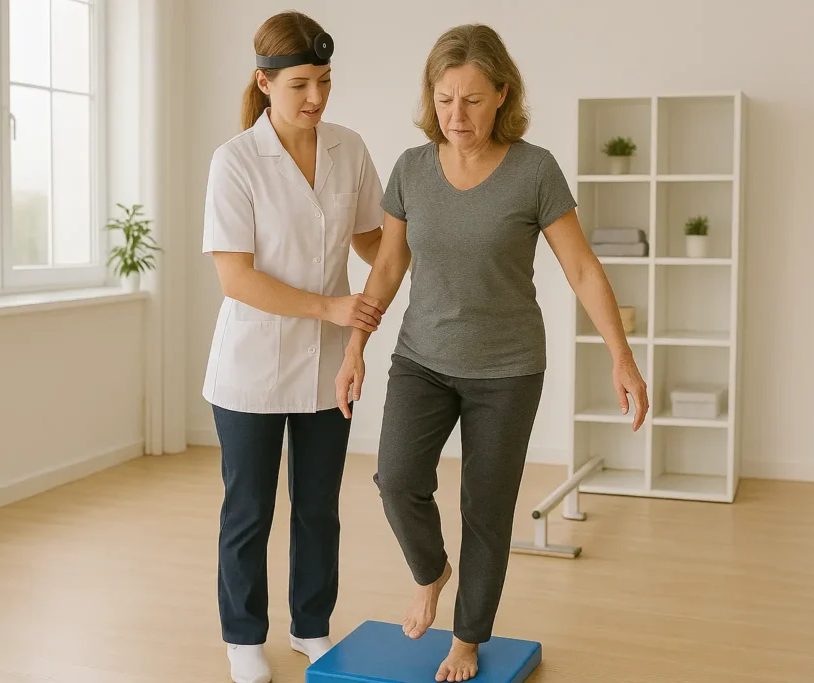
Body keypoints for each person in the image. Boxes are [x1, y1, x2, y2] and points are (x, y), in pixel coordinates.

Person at [335, 23, 649, 683]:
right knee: (396, 479)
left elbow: (584, 270)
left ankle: (469, 636)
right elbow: (387, 268)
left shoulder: (534, 171)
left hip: (507, 370)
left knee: (486, 506)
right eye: (445, 98)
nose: (457, 115)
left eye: (473, 100)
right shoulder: (411, 169)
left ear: (502, 94)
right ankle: (431, 571)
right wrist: (356, 343)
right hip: (422, 358)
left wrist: (621, 356)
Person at [201, 10, 387, 683]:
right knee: (249, 509)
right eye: (301, 84)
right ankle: (243, 635)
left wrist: (419, 240)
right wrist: (329, 305)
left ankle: (311, 625)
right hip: (251, 365)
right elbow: (235, 275)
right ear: (265, 81)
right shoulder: (236, 161)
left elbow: (371, 238)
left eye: (326, 81)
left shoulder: (349, 147)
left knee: (318, 506)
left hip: (327, 365)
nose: (316, 98)